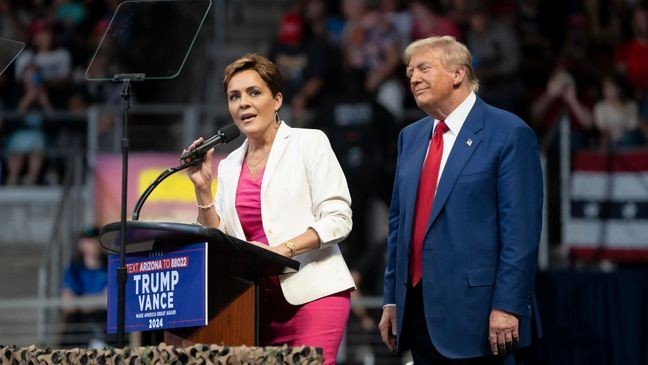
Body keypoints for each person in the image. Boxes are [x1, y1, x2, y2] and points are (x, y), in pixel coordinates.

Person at [379, 36, 543, 363]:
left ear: (458, 74)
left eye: (424, 68)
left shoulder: (508, 132)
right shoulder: (409, 137)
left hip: (482, 318)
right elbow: (399, 225)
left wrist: (508, 306)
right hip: (419, 313)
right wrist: (392, 300)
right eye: (410, 71)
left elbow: (521, 232)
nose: (413, 78)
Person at [183, 53, 355, 365]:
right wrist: (201, 187)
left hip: (313, 294)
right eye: (234, 97)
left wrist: (285, 248)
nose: (243, 103)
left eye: (254, 92)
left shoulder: (309, 142)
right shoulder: (230, 164)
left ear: (276, 100)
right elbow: (219, 236)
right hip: (255, 305)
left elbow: (339, 219)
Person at [60, 227, 110, 348]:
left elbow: (109, 301)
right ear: (81, 244)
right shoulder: (74, 271)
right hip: (78, 327)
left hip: (103, 325)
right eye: (90, 240)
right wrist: (95, 301)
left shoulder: (111, 268)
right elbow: (67, 304)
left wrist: (80, 302)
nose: (94, 243)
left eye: (97, 239)